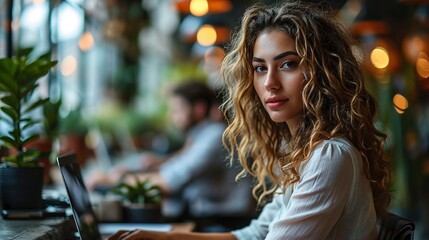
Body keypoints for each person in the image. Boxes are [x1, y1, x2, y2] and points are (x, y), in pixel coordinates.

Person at [107, 1, 392, 239]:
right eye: (259, 68)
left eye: (288, 64)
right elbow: (253, 234)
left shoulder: (330, 155)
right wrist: (162, 237)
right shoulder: (301, 151)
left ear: (323, 72)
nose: (270, 82)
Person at [87, 80, 255, 227]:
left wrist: (113, 180)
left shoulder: (215, 135)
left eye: (177, 110)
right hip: (208, 220)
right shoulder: (200, 136)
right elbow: (178, 166)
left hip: (222, 224)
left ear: (199, 108)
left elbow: (168, 183)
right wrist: (146, 167)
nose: (172, 117)